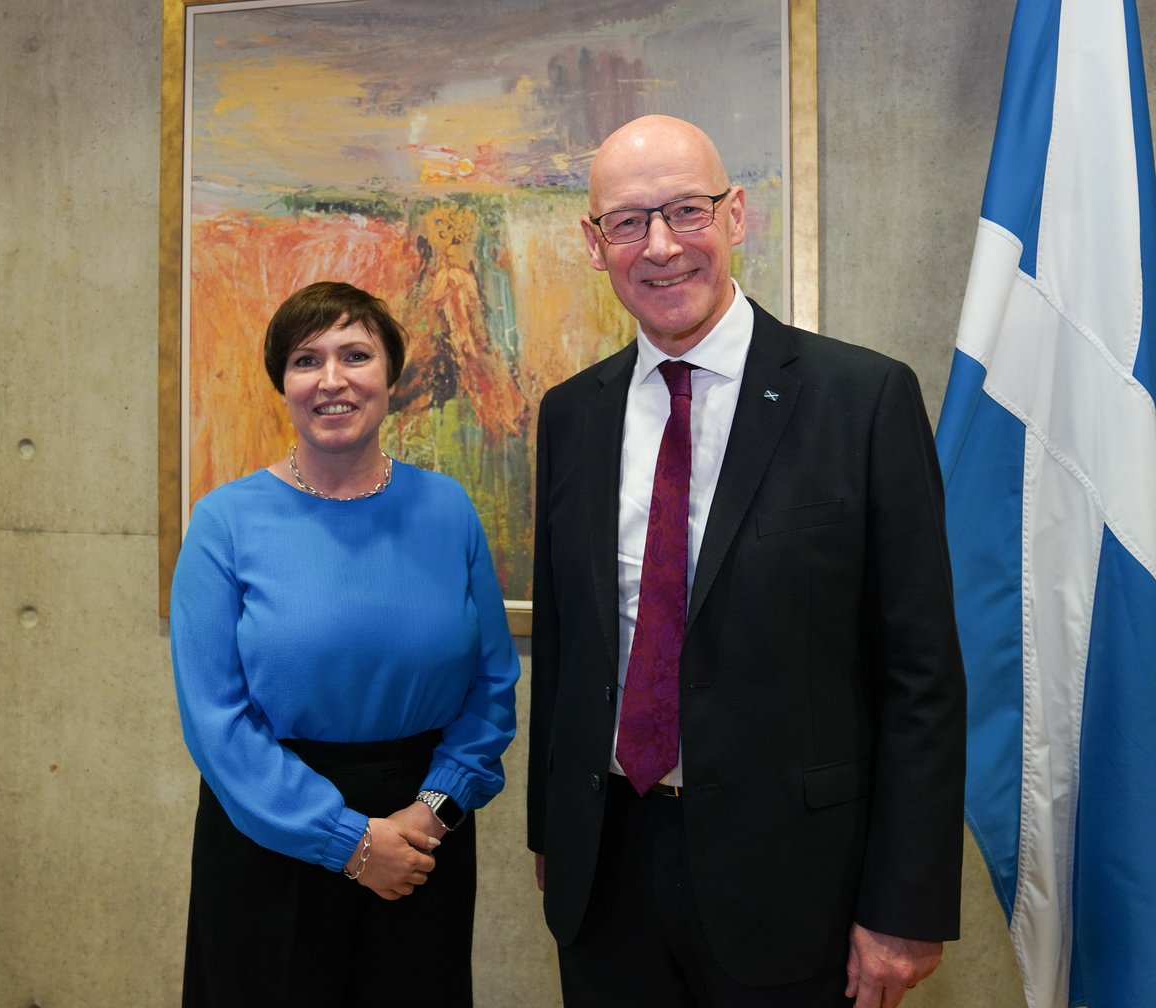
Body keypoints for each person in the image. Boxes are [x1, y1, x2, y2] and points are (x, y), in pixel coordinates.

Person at [527, 115, 965, 1008]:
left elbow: (922, 675)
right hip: (605, 875)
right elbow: (570, 645)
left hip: (796, 888)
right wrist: (551, 831)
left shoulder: (864, 399)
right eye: (626, 222)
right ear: (592, 241)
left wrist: (906, 904)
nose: (659, 247)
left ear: (736, 216)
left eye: (686, 211)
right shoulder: (572, 414)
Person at [170, 281, 518, 1007]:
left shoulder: (448, 508)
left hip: (422, 841)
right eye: (306, 360)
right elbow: (216, 721)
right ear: (284, 385)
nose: (331, 379)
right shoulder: (224, 522)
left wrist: (433, 810)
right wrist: (349, 843)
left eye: (355, 354)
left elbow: (491, 687)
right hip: (270, 837)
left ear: (390, 377)